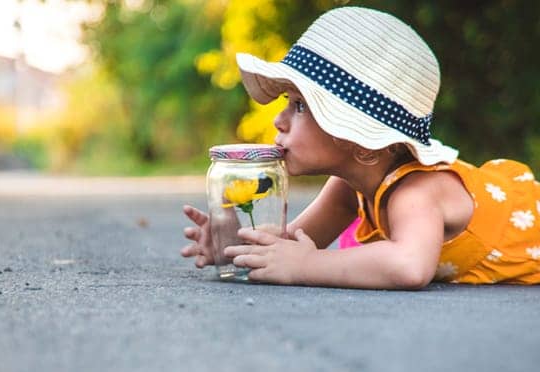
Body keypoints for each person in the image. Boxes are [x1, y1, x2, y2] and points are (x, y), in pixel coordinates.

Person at [178, 7, 540, 289]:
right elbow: (290, 246)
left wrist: (307, 266)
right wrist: (233, 248)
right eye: (288, 102)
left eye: (301, 106)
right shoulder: (350, 185)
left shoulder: (418, 191)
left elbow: (410, 266)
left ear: (365, 147)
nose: (279, 120)